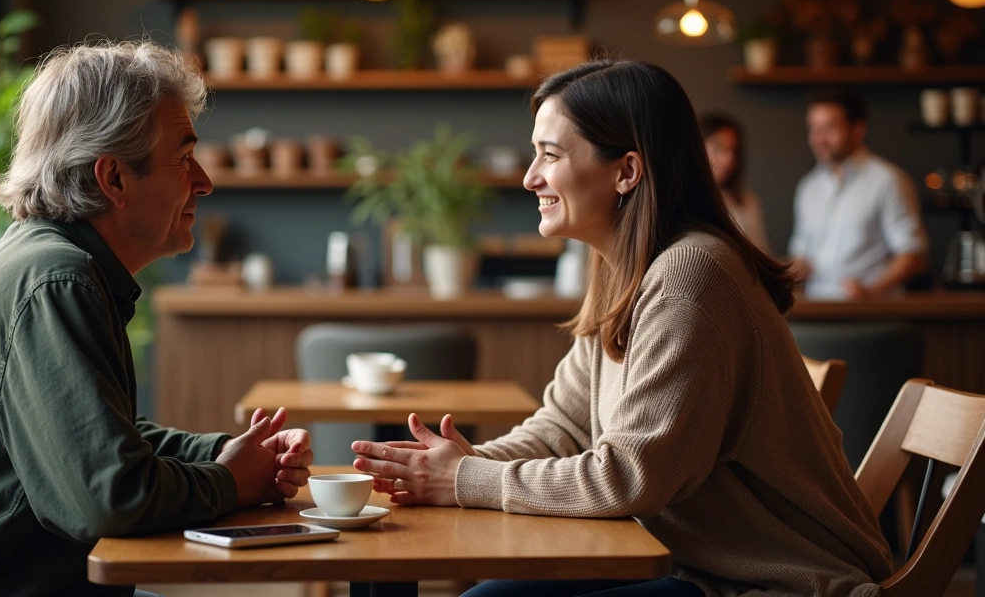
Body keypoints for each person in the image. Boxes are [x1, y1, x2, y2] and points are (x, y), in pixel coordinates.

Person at [351, 60, 892, 597]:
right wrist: (451, 467)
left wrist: (465, 480)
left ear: (626, 171)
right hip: (682, 561)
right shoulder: (622, 270)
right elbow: (562, 428)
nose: (529, 177)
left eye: (551, 155)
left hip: (770, 582)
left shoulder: (691, 275)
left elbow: (629, 476)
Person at [0, 42, 313, 597]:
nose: (205, 181)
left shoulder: (55, 262)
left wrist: (220, 454)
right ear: (113, 178)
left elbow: (95, 439)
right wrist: (229, 481)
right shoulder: (56, 280)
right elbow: (108, 498)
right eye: (184, 158)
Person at [789, 88, 927, 300]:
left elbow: (912, 253)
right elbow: (802, 256)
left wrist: (873, 291)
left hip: (871, 314)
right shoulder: (808, 187)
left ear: (858, 130)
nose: (818, 139)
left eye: (829, 128)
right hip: (817, 313)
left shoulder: (888, 181)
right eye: (814, 129)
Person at [700, 113, 770, 251]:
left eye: (733, 150)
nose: (728, 159)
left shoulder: (748, 201)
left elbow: (763, 253)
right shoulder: (682, 202)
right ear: (697, 148)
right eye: (718, 147)